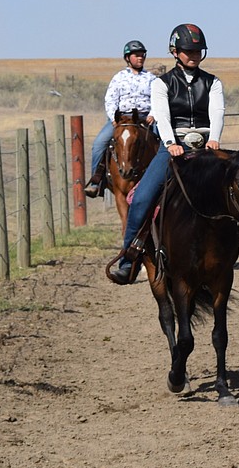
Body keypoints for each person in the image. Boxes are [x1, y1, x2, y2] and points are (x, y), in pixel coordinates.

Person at [108, 24, 225, 284]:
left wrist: (214, 139)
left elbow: (217, 112)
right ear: (175, 51)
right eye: (187, 50)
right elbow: (161, 114)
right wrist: (171, 142)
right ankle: (129, 259)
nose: (194, 54)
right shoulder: (162, 84)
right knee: (140, 199)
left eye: (197, 50)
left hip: (207, 147)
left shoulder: (213, 82)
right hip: (172, 147)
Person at [83, 40, 156, 198]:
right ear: (128, 58)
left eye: (142, 55)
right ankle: (97, 181)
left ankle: (170, 177)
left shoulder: (151, 78)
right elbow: (110, 99)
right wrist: (113, 118)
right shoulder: (118, 78)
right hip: (122, 119)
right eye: (136, 55)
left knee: (165, 143)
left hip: (145, 119)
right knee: (99, 143)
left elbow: (158, 98)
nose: (140, 58)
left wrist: (153, 114)